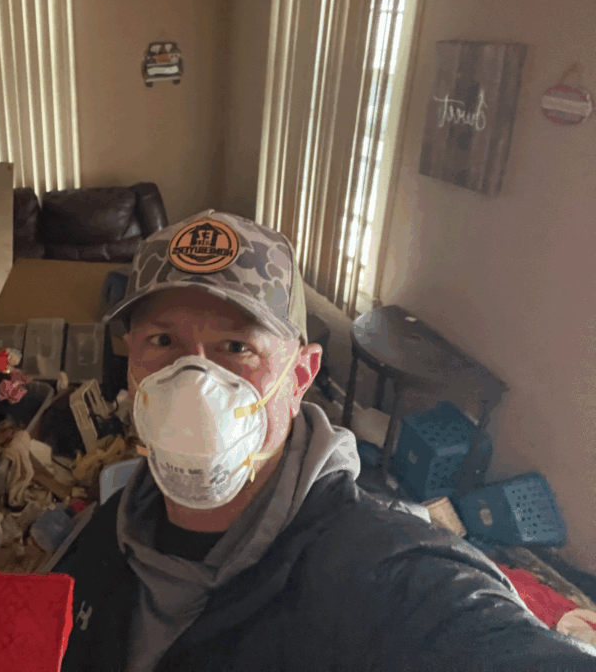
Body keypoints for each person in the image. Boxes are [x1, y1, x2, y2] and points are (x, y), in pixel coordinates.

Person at [52, 210, 596, 672]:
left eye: (237, 347)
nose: (194, 381)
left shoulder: (385, 579)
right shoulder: (111, 529)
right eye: (162, 340)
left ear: (300, 374)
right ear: (130, 366)